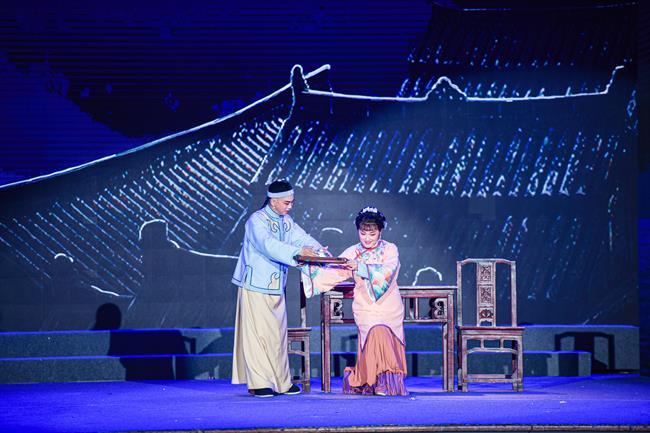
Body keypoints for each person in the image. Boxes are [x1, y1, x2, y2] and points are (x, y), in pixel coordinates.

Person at [301, 207, 407, 396]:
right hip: (366, 307)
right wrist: (315, 262)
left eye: (372, 234)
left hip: (390, 304)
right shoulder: (352, 252)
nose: (367, 238)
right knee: (376, 332)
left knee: (387, 336)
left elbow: (388, 273)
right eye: (363, 233)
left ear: (380, 231)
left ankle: (383, 381)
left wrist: (360, 267)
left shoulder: (390, 249)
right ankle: (379, 382)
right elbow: (334, 272)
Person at [231, 180, 322, 398]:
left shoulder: (286, 221)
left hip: (275, 287)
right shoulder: (256, 220)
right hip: (255, 285)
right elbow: (268, 245)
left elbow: (302, 238)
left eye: (291, 203)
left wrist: (319, 251)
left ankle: (282, 382)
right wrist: (299, 253)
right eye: (286, 203)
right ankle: (260, 382)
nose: (290, 207)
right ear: (273, 201)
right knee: (257, 336)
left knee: (277, 336)